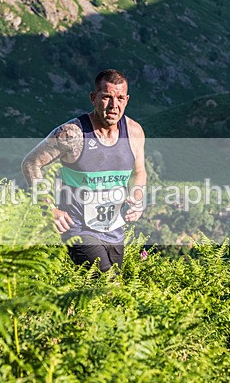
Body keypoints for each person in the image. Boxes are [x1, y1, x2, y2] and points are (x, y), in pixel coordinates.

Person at [21, 69, 146, 272]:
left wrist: (137, 197)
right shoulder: (72, 134)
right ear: (93, 98)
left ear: (127, 99)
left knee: (97, 296)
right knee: (109, 285)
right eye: (107, 97)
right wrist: (48, 207)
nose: (115, 105)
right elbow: (31, 163)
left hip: (114, 230)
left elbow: (139, 171)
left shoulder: (134, 132)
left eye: (120, 98)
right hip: (79, 228)